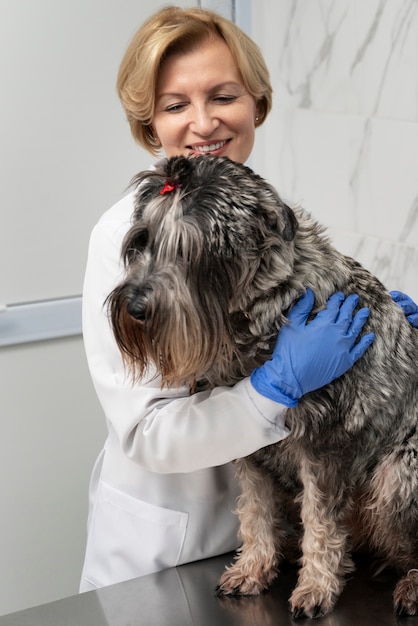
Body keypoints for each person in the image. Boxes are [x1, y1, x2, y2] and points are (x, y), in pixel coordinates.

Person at [79, 6, 418, 592]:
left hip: (278, 539)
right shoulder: (123, 234)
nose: (204, 123)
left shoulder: (257, 209)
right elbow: (146, 433)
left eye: (223, 96)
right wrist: (276, 385)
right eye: (176, 104)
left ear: (256, 103)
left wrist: (383, 334)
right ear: (149, 122)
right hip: (171, 542)